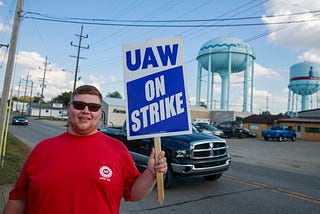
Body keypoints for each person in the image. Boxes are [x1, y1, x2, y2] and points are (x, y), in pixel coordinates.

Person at [3, 85, 167, 214]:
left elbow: (133, 194)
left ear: (100, 113)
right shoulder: (42, 149)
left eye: (93, 107)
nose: (86, 111)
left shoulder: (117, 149)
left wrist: (151, 173)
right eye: (79, 105)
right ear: (69, 108)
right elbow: (18, 199)